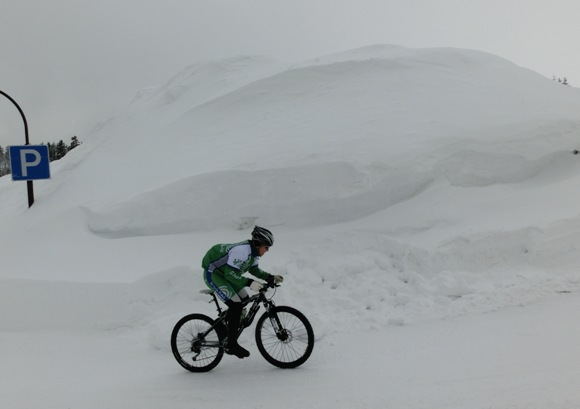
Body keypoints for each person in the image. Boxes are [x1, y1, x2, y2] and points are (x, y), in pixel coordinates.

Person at [202, 226, 284, 358]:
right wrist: (250, 283)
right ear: (258, 244)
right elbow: (230, 274)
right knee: (236, 305)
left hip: (226, 274)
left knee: (243, 299)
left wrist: (270, 277)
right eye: (266, 247)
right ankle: (232, 344)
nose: (267, 250)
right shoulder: (241, 251)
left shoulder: (254, 253)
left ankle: (225, 326)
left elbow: (255, 270)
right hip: (214, 274)